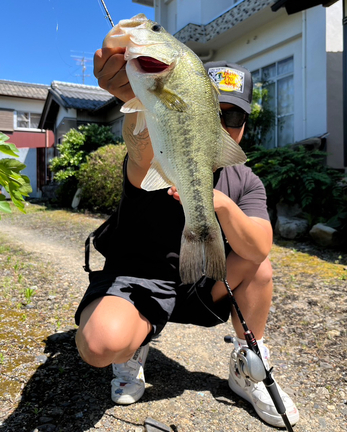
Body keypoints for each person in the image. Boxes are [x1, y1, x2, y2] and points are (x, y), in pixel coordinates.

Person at [75, 51, 299, 428]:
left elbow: (259, 247)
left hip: (201, 286)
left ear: (243, 127)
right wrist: (135, 96)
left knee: (258, 265)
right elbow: (139, 146)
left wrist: (221, 205)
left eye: (232, 117)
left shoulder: (245, 181)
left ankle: (248, 362)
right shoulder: (158, 151)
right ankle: (133, 343)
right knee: (100, 344)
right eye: (211, 111)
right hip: (140, 283)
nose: (222, 124)